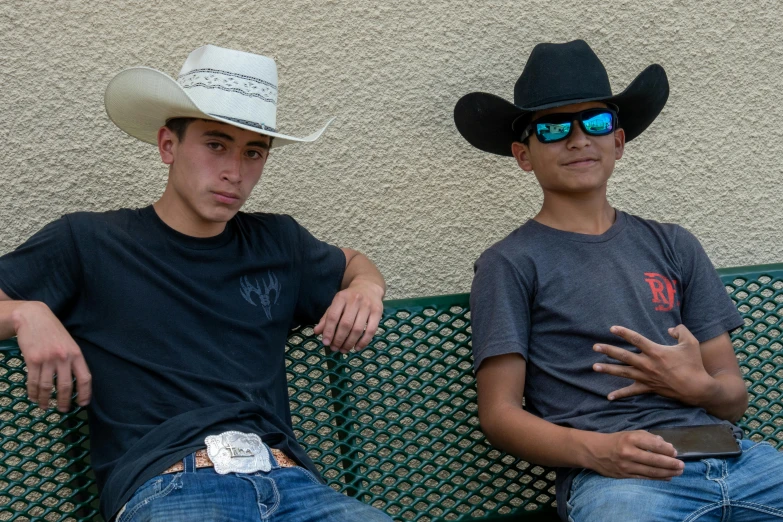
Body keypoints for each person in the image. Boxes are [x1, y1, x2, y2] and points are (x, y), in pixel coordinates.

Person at [0, 44, 392, 522]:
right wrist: (24, 312)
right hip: (172, 486)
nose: (234, 171)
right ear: (168, 145)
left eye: (254, 152)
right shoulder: (88, 241)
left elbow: (354, 262)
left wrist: (365, 287)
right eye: (215, 144)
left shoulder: (278, 242)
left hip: (291, 483)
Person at [454, 40, 783, 521]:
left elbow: (733, 398)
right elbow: (499, 415)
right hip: (622, 479)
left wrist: (698, 388)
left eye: (596, 121)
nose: (578, 138)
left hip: (740, 460)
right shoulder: (510, 263)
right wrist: (598, 452)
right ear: (523, 156)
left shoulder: (674, 244)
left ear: (619, 141)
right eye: (552, 127)